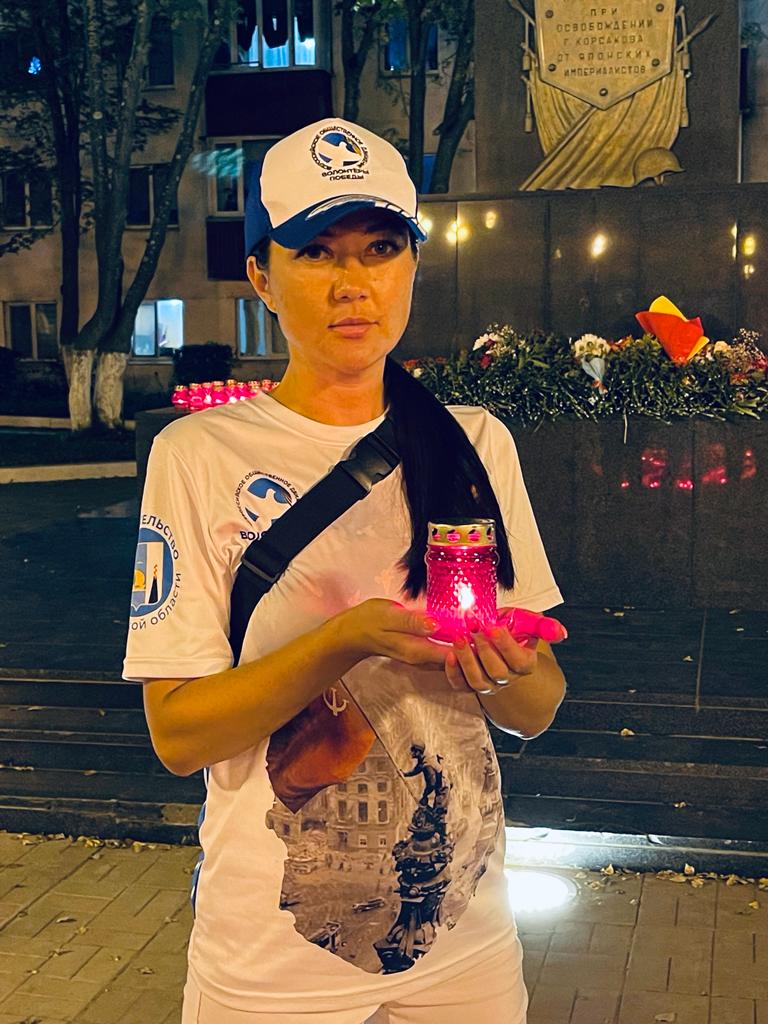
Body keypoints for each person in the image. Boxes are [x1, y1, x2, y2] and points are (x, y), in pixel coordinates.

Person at [123, 117, 566, 1024]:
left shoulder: (475, 443)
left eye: (380, 249)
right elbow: (178, 736)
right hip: (271, 962)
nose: (352, 283)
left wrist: (502, 669)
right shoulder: (198, 454)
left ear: (413, 264)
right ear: (261, 275)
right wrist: (344, 642)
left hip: (466, 947)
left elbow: (538, 709)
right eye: (317, 253)